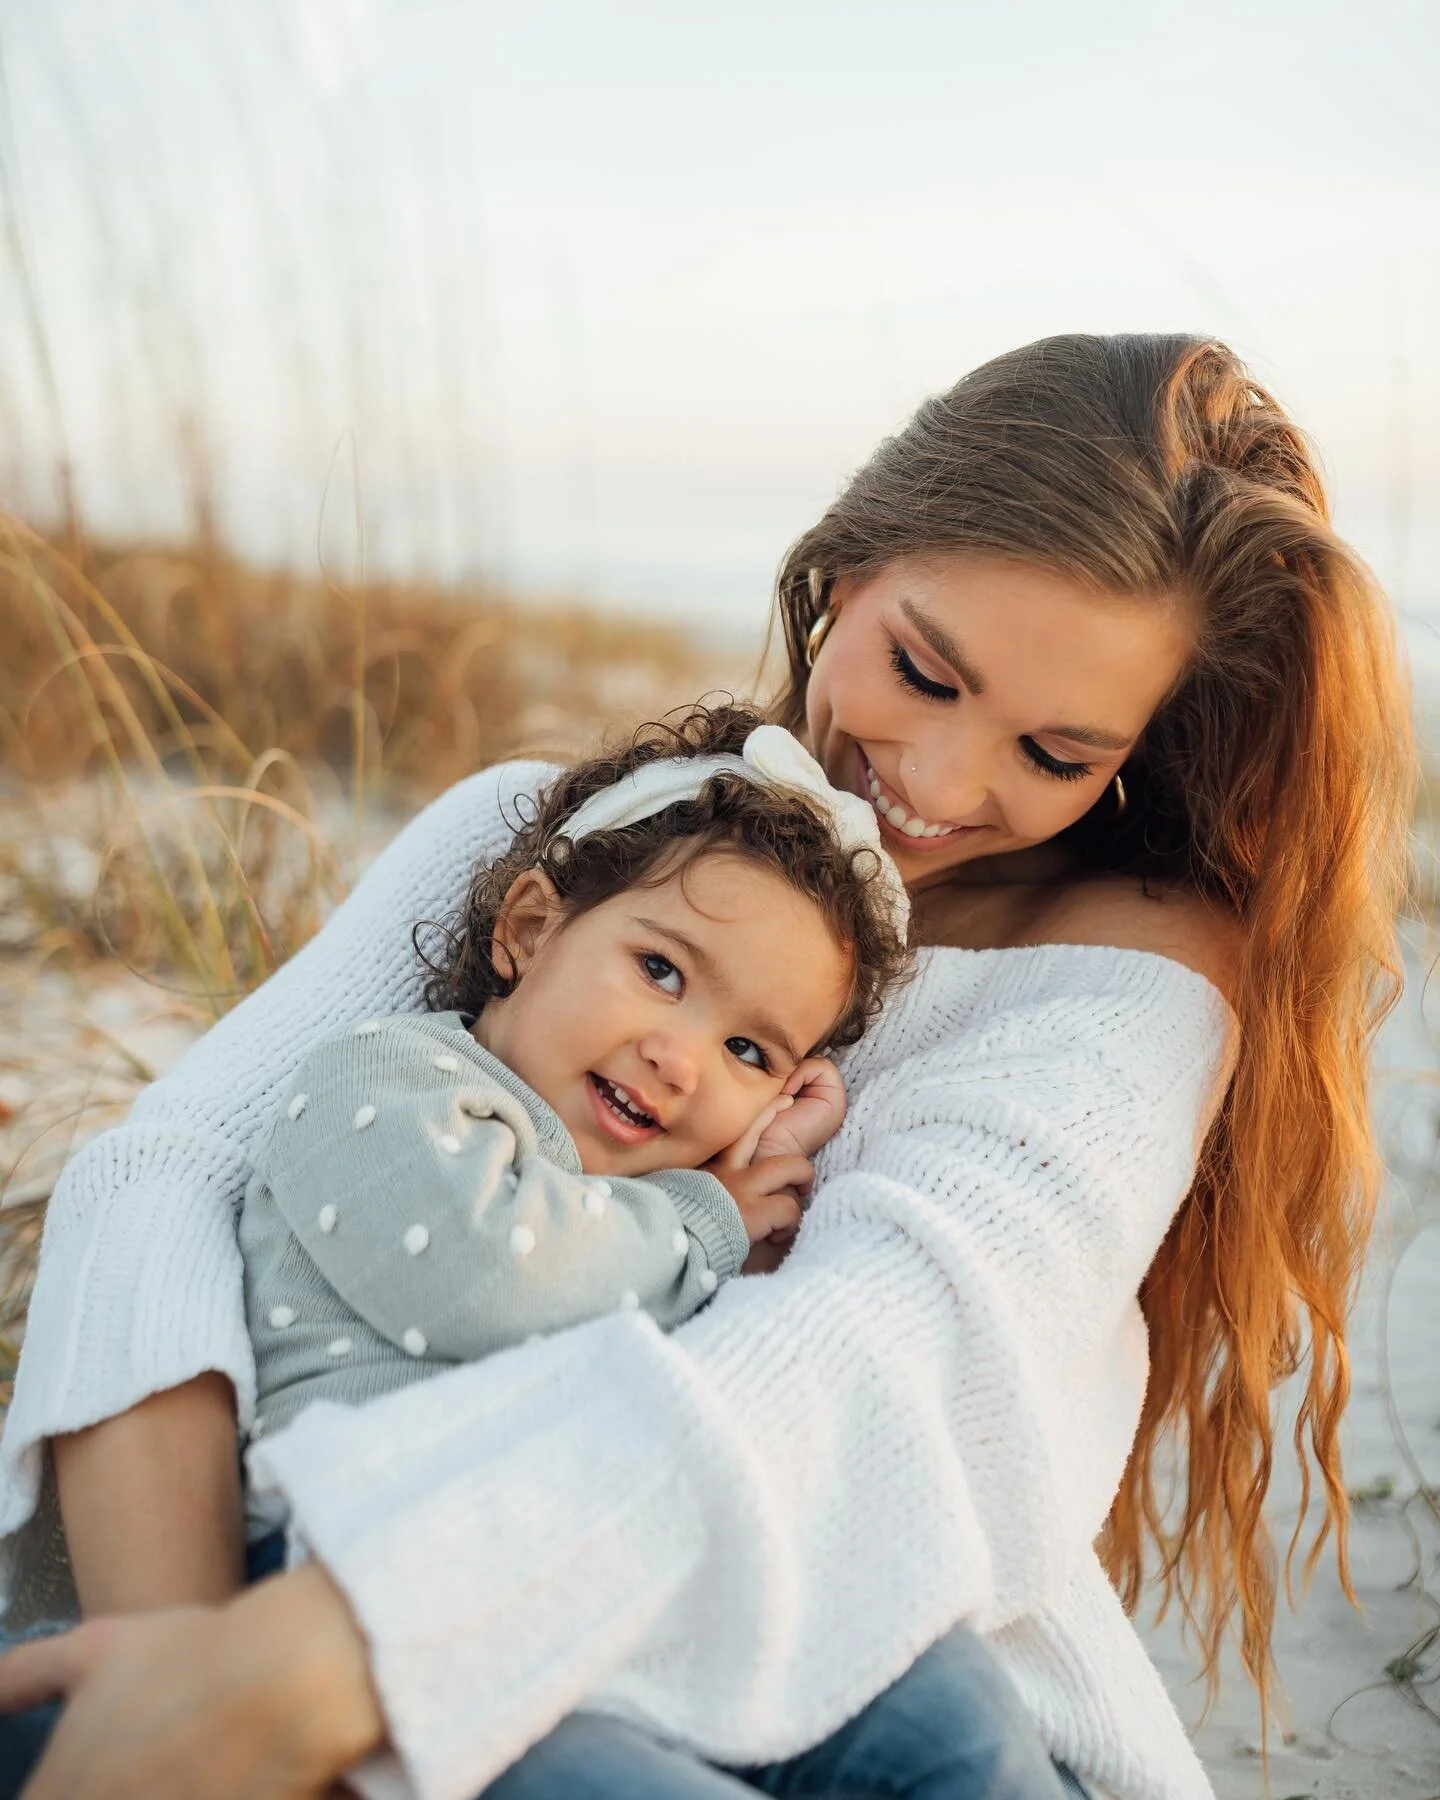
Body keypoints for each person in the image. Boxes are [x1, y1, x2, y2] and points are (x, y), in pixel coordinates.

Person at [0, 334, 1412, 1800]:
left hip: (875, 1673)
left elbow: (875, 1361)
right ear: (843, 568)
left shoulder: (1130, 977)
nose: (933, 786)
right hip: (351, 1594)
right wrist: (189, 1674)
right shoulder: (544, 833)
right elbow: (164, 1172)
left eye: (1054, 754)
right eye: (923, 671)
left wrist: (331, 1651)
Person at [234, 707, 909, 1554]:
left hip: (549, 1544)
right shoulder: (385, 1078)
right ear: (530, 928)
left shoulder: (636, 1214)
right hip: (346, 1528)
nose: (679, 1062)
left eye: (746, 1050)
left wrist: (765, 1161)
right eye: (660, 970)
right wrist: (709, 1219)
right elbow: (492, 1275)